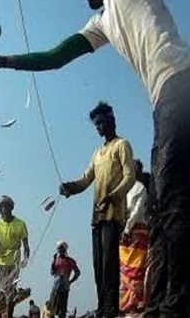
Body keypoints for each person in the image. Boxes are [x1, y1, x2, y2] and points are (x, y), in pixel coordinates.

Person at [0, 0, 190, 318]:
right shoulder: (101, 23)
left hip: (180, 78)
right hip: (163, 97)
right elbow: (56, 56)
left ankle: (176, 305)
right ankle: (160, 303)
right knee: (162, 204)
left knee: (173, 198)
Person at [59, 102, 135, 318]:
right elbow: (86, 180)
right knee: (98, 265)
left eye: (101, 123)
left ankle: (112, 309)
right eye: (96, 125)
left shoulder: (122, 145)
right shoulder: (97, 154)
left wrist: (114, 195)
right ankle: (103, 307)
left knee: (110, 264)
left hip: (113, 214)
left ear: (111, 121)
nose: (99, 128)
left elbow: (130, 177)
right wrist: (70, 188)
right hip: (97, 216)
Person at [0, 195, 30, 318]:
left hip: (13, 263)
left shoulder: (20, 224)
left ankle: (10, 315)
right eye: (1, 207)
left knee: (10, 294)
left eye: (5, 207)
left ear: (10, 208)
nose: (2, 210)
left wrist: (25, 258)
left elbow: (26, 246)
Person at [120, 160, 149, 314]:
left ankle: (136, 301)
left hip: (137, 231)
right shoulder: (125, 189)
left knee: (136, 269)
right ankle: (126, 303)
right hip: (125, 233)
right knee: (125, 270)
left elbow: (137, 212)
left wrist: (127, 229)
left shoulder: (141, 188)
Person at [49, 241, 81, 318]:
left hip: (64, 287)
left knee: (62, 310)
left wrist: (70, 281)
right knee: (52, 309)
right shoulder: (56, 260)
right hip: (55, 287)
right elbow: (52, 272)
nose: (60, 250)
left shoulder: (70, 261)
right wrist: (53, 260)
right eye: (59, 249)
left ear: (65, 249)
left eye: (61, 248)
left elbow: (77, 272)